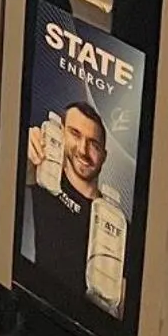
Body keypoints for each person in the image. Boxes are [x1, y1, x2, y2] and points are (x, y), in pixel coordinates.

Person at [23, 98, 108, 292]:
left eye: (94, 144)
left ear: (104, 155)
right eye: (75, 134)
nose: (83, 150)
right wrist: (23, 143)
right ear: (61, 135)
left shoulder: (115, 224)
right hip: (34, 297)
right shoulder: (43, 175)